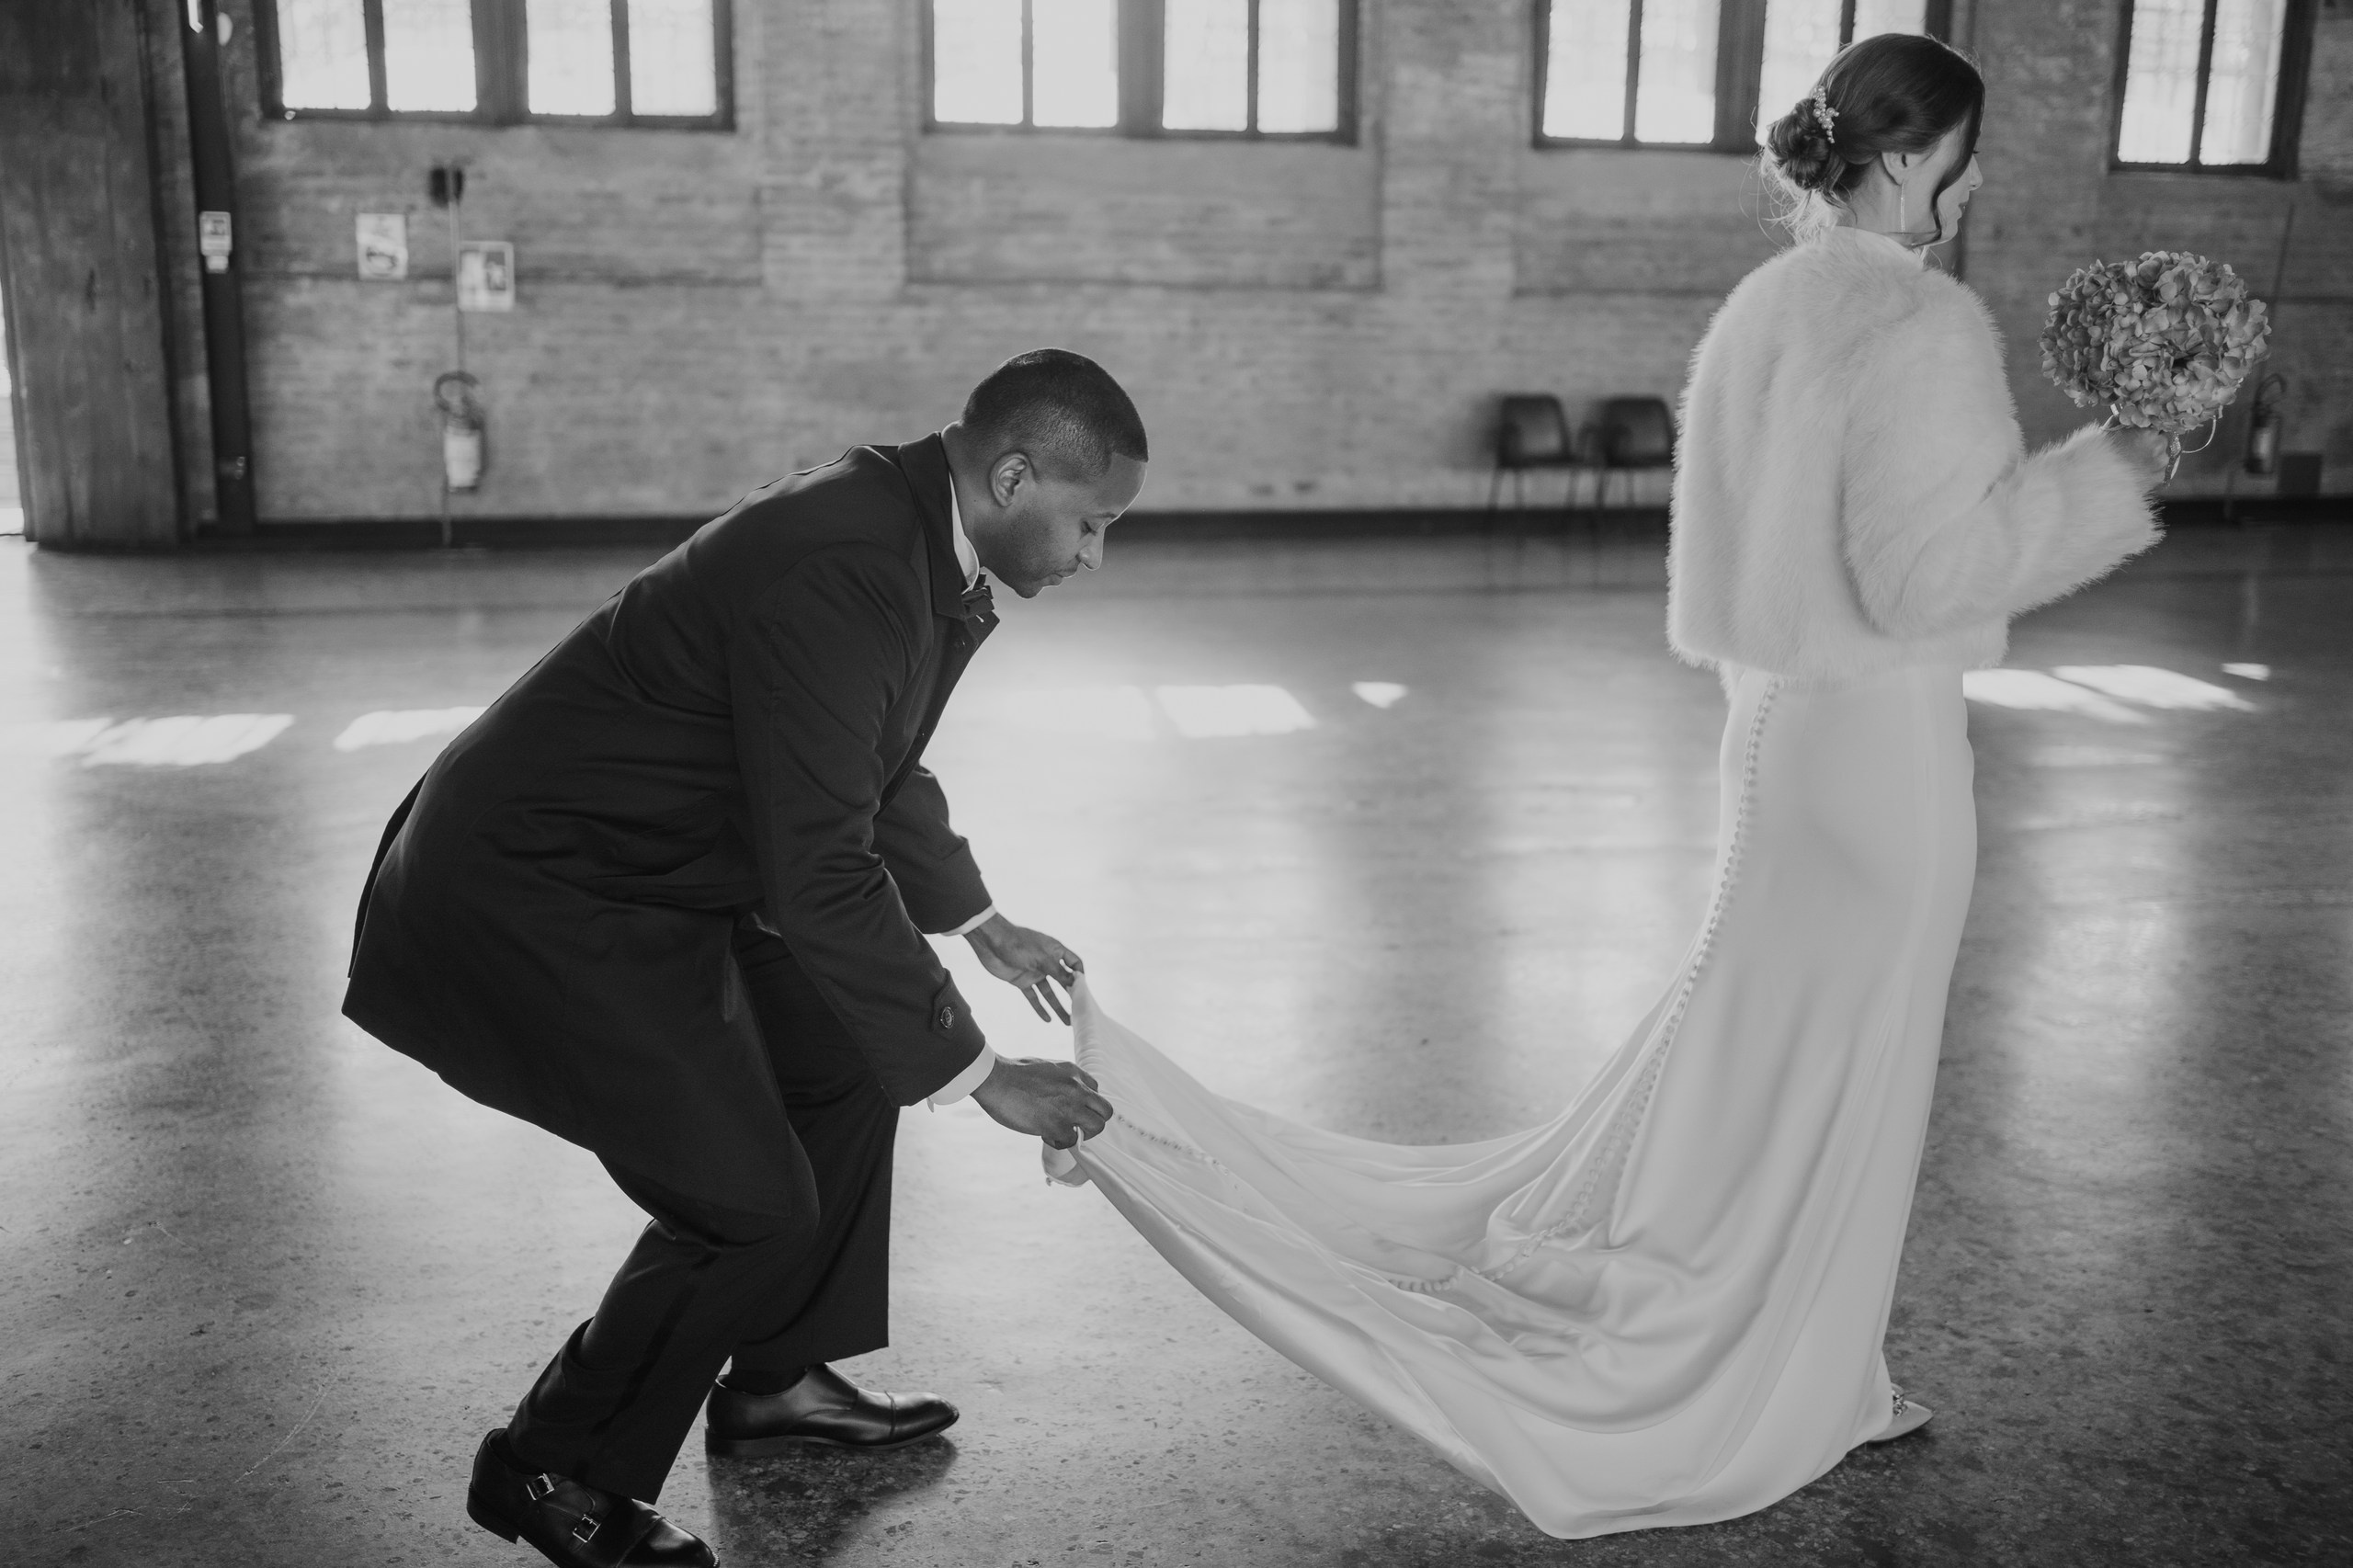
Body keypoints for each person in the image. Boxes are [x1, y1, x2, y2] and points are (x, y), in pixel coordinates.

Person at [1034, 34, 2168, 1539]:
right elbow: (1931, 573)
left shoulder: (1766, 306)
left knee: (1764, 1046)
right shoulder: (1921, 325)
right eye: (1965, 148)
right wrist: (2121, 465)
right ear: (1906, 158)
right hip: (1883, 750)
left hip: (1773, 735)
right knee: (1852, 1070)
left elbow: (1725, 553)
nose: (1976, 179)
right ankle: (1810, 1375)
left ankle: (1826, 1359)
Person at [343, 349, 1147, 1567]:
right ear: (1014, 473)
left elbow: (867, 758)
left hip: (649, 867)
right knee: (746, 1201)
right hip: (533, 885)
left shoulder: (919, 535)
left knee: (837, 1048)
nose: (1094, 555)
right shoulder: (850, 560)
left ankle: (772, 1382)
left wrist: (976, 919)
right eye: (1090, 524)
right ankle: (551, 1463)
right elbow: (819, 871)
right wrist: (987, 1076)